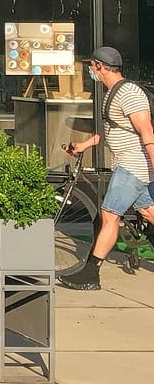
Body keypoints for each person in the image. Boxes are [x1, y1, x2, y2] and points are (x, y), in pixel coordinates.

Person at [57, 46, 154, 290]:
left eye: (91, 66)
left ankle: (91, 274)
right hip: (128, 163)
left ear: (100, 66)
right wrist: (84, 145)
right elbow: (110, 131)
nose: (89, 70)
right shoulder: (113, 93)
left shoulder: (129, 93)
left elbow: (146, 131)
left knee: (109, 215)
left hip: (134, 165)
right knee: (149, 213)